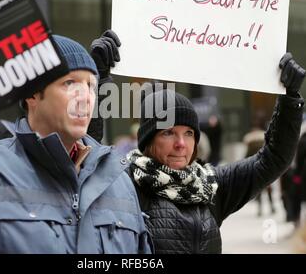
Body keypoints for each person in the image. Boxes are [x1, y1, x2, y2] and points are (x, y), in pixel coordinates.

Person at [0, 33, 151, 254]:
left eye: (91, 86)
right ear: (33, 95)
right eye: (69, 83)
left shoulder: (119, 181)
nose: (86, 96)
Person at [124, 51, 305, 253]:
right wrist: (99, 78)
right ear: (148, 140)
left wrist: (290, 100)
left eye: (189, 133)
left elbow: (273, 159)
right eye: (168, 133)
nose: (181, 144)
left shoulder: (209, 185)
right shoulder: (126, 184)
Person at [242, 111, 276, 217]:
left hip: (256, 166)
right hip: (266, 166)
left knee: (260, 189)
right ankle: (272, 206)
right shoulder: (265, 138)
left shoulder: (249, 140)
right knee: (269, 188)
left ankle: (260, 209)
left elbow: (247, 155)